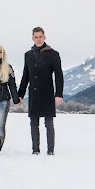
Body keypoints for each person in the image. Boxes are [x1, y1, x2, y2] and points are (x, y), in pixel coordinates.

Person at [18, 27, 64, 155]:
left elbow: (59, 75)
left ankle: (50, 151)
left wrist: (58, 94)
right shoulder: (28, 55)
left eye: (40, 37)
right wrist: (20, 95)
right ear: (33, 38)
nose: (38, 39)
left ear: (44, 37)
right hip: (34, 93)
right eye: (36, 37)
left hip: (47, 92)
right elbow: (25, 76)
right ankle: (35, 150)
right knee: (33, 122)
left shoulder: (53, 54)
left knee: (48, 123)